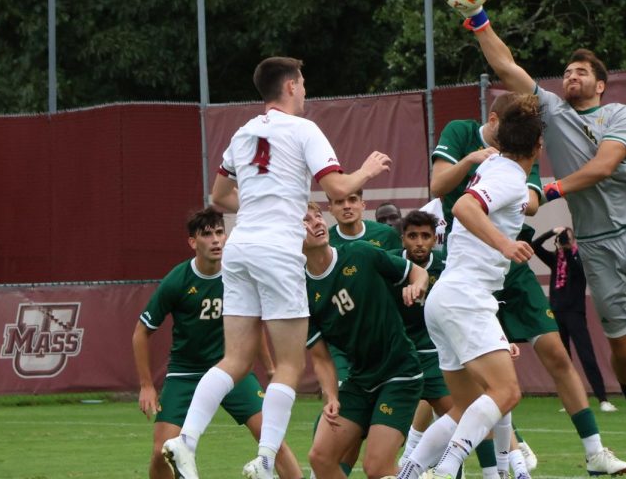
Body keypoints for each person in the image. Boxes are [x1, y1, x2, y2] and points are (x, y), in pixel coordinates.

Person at [464, 8, 626, 477]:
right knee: (624, 353)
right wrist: (478, 18)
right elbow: (506, 67)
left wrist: (551, 190)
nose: (571, 76)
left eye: (581, 71)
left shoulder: (621, 114)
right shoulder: (551, 110)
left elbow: (604, 165)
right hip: (597, 243)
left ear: (600, 84)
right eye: (567, 71)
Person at [163, 56, 392, 479]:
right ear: (289, 86)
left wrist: (266, 206)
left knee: (234, 359)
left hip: (241, 247)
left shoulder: (243, 131)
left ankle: (185, 440)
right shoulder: (304, 129)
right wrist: (368, 169)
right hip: (276, 252)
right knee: (289, 365)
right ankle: (266, 459)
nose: (304, 91)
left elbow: (219, 196)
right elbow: (338, 187)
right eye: (302, 83)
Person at [431, 92, 626, 478]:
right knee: (496, 391)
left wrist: (507, 192)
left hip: (489, 275)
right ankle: (468, 465)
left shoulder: (511, 169)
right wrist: (475, 165)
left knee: (498, 385)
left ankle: (416, 467)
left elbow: (531, 202)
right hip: (474, 275)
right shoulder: (478, 148)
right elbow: (449, 195)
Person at [398, 94, 588, 479]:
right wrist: (505, 243)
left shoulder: (498, 166)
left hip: (447, 298)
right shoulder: (510, 178)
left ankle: (410, 470)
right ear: (538, 146)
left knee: (465, 406)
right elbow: (463, 208)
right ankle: (447, 467)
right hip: (466, 297)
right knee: (506, 394)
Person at [133, 209, 303, 479]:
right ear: (193, 242)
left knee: (272, 442)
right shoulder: (177, 280)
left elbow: (253, 327)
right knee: (161, 453)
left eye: (219, 232)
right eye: (207, 234)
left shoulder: (237, 276)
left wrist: (270, 369)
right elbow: (141, 332)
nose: (215, 240)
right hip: (185, 373)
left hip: (231, 371)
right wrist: (146, 385)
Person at [303, 204, 430, 479]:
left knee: (377, 468)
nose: (316, 223)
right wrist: (332, 396)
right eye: (305, 220)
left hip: (400, 372)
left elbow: (416, 273)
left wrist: (417, 285)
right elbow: (321, 357)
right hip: (360, 380)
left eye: (316, 216)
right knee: (320, 458)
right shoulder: (300, 292)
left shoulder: (360, 253)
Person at [389, 210, 453, 470]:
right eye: (412, 236)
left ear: (434, 239)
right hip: (398, 355)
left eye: (425, 236)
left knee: (459, 420)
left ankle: (496, 470)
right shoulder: (390, 265)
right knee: (382, 425)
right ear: (402, 239)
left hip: (436, 353)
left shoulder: (447, 265)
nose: (419, 242)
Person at [531, 226, 617, 413]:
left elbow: (578, 268)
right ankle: (570, 400)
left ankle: (603, 399)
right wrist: (552, 232)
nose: (563, 241)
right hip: (556, 313)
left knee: (587, 356)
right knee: (563, 358)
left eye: (566, 238)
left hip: (575, 313)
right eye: (562, 239)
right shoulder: (555, 261)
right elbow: (534, 246)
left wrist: (569, 248)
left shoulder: (579, 259)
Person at [328, 190, 403, 251]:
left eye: (352, 200)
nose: (347, 206)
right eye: (339, 202)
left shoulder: (388, 234)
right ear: (331, 209)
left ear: (362, 205)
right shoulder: (324, 242)